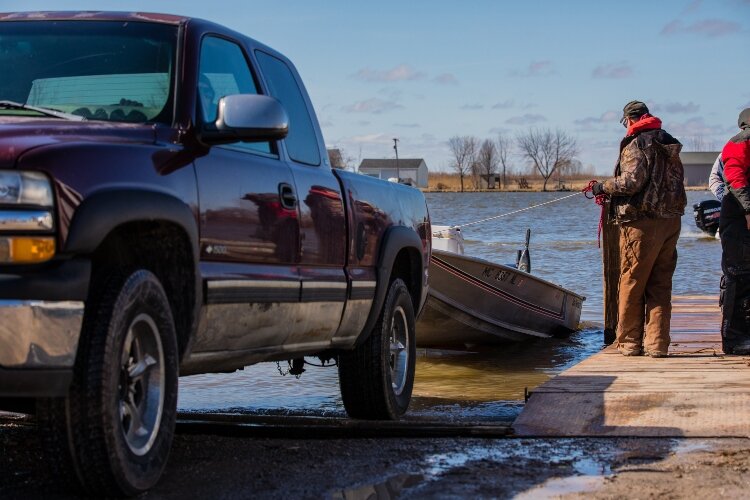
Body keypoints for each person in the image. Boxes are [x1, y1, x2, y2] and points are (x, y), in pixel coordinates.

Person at [591, 100, 687, 357]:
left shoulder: (637, 143)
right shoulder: (670, 143)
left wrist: (603, 187)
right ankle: (657, 345)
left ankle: (630, 343)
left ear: (630, 120)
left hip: (641, 222)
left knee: (632, 281)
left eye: (624, 123)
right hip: (671, 221)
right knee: (660, 283)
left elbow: (631, 182)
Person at [718, 107, 750, 355]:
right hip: (738, 218)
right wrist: (749, 210)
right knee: (738, 278)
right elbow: (735, 174)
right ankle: (734, 339)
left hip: (741, 215)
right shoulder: (740, 142)